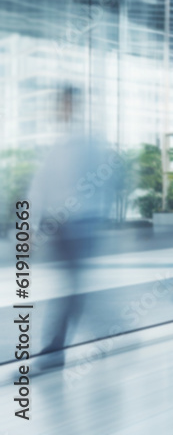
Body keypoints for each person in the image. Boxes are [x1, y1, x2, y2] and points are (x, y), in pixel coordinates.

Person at [30, 86, 114, 371]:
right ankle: (110, 330)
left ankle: (54, 351)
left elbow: (102, 184)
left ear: (75, 106)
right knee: (74, 288)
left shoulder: (88, 142)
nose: (61, 109)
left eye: (65, 103)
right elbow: (41, 188)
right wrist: (34, 226)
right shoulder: (60, 144)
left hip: (80, 226)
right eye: (59, 103)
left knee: (71, 288)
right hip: (60, 228)